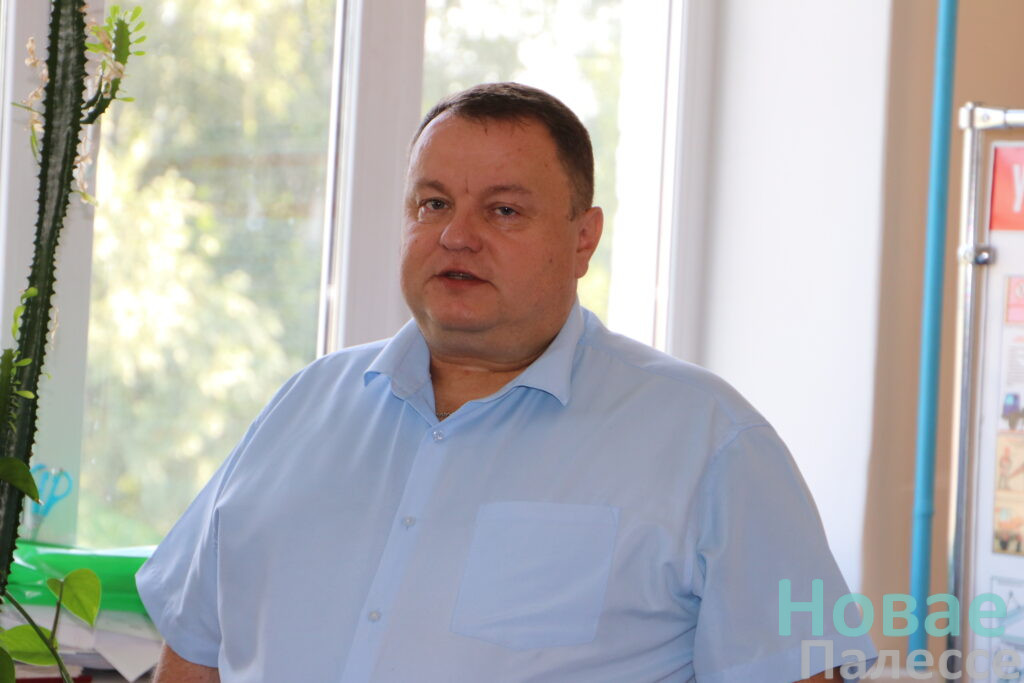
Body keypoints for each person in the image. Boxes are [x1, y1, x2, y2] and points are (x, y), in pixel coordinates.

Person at [137, 82, 875, 682]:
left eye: (504, 210)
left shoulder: (712, 441)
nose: (457, 235)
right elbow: (195, 652)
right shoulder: (302, 406)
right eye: (433, 203)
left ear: (583, 238)